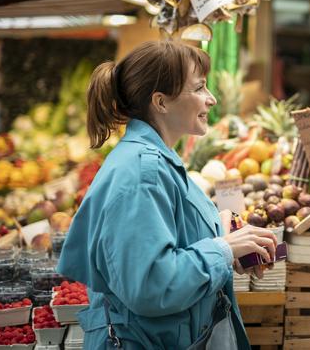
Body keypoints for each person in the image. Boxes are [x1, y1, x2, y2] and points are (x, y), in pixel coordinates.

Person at [57, 41, 278, 349]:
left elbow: (167, 241)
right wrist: (223, 250)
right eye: (199, 88)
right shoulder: (142, 172)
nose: (211, 99)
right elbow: (151, 285)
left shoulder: (155, 158)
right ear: (160, 102)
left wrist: (222, 230)